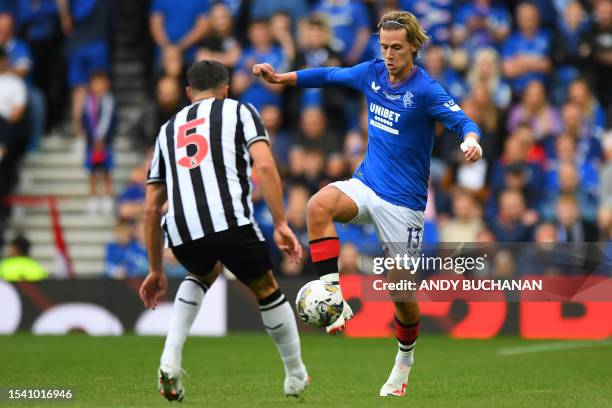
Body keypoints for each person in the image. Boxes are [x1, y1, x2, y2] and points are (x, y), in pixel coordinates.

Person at [253, 10, 482, 397]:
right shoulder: (372, 72)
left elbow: (463, 121)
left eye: (396, 47)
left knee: (401, 296)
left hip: (404, 205)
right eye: (384, 47)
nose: (389, 54)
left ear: (414, 47)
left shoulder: (426, 90)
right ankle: (334, 297)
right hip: (367, 184)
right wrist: (282, 78)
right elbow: (327, 75)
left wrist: (471, 140)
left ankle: (403, 363)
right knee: (317, 206)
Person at [138, 60, 308, 401]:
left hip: (183, 230)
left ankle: (170, 357)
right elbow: (264, 165)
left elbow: (151, 206)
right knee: (266, 288)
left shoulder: (167, 129)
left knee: (204, 272)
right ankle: (295, 374)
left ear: (188, 93)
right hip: (230, 220)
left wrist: (156, 269)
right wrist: (280, 223)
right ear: (226, 89)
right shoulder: (240, 111)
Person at [82, 72, 116, 215]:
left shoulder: (109, 101)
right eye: (95, 83)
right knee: (92, 171)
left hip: (106, 143)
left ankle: (107, 196)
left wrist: (103, 138)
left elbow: (112, 122)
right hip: (91, 144)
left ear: (106, 85)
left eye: (101, 83)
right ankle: (93, 196)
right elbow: (85, 121)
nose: (98, 86)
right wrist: (92, 138)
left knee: (107, 170)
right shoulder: (88, 102)